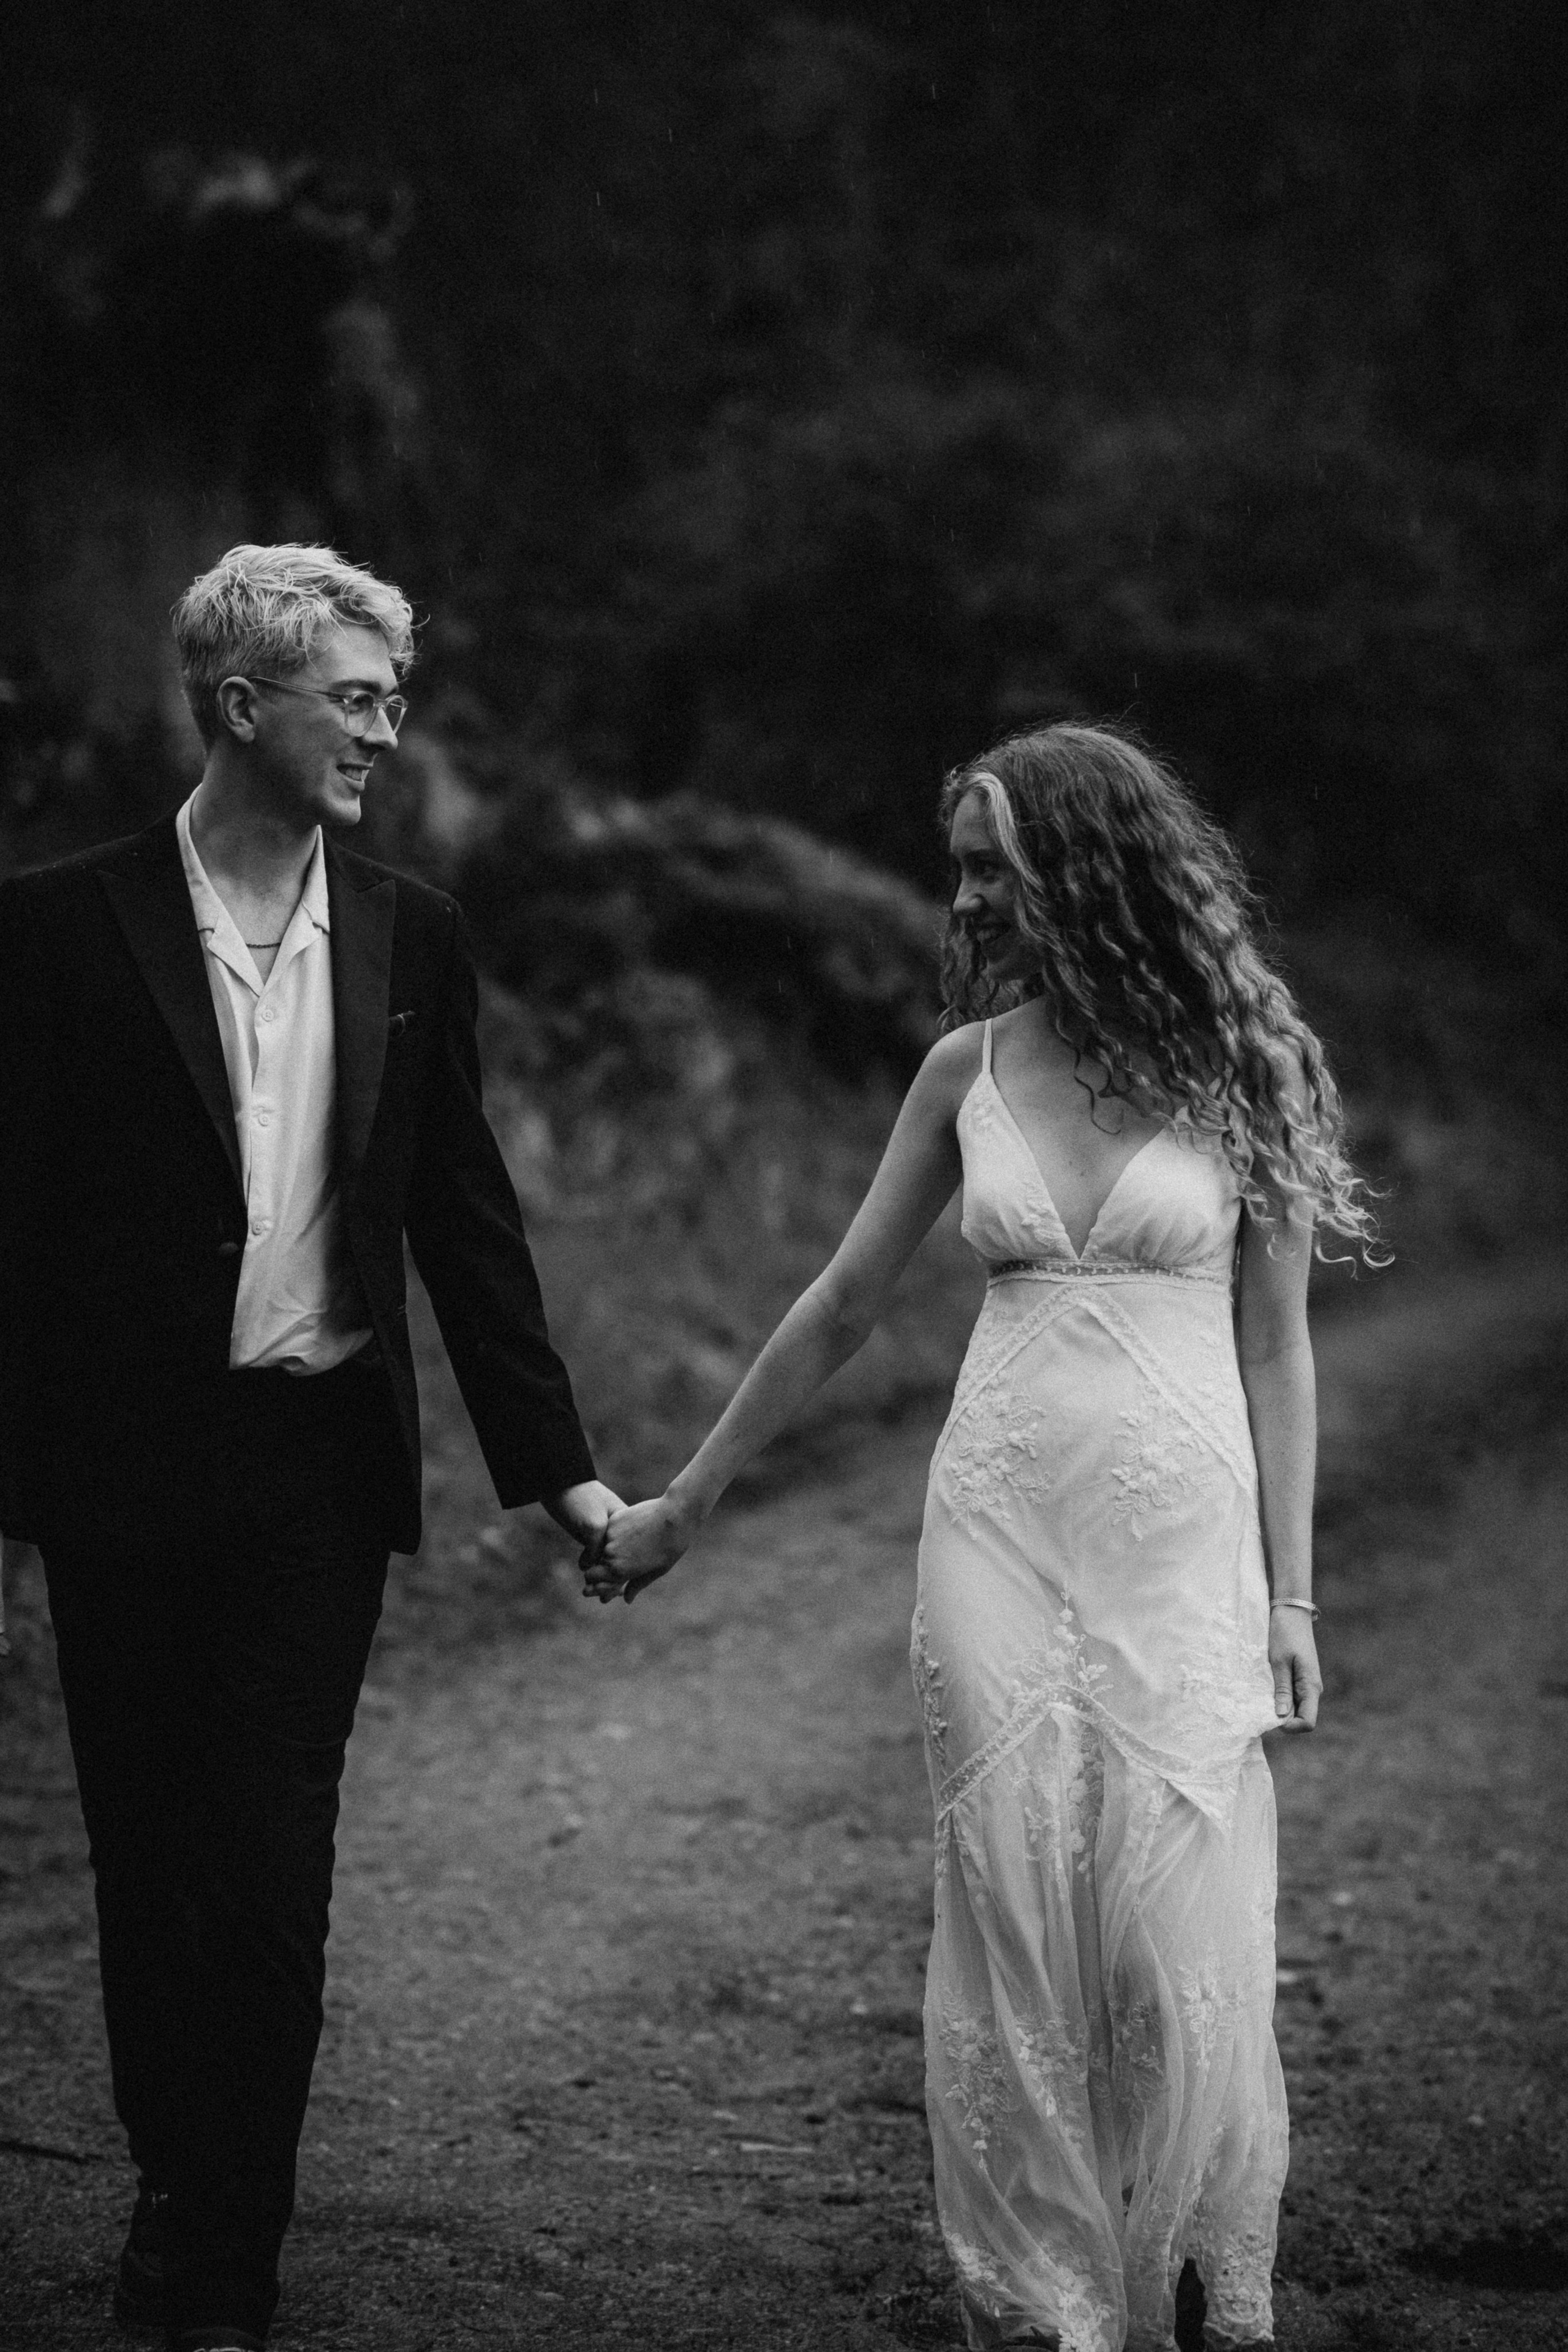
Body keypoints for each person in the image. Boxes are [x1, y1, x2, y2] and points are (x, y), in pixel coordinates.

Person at [591, 723, 1379, 2352]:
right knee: (1011, 1894)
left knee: (1176, 1914)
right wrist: (686, 1501)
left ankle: (1194, 2265)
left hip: (1181, 1549)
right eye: (960, 865)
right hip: (995, 1532)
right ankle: (1045, 2300)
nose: (961, 899)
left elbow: (1281, 1350)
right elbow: (841, 1305)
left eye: (985, 866)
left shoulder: (1250, 1063)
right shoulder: (966, 1071)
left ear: (1083, 869)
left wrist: (1292, 1594)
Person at [0, 545, 620, 2352]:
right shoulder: (53, 928)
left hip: (310, 1484)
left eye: (389, 697)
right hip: (121, 1480)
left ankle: (223, 2256)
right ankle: (180, 2174)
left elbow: (463, 1214)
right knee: (146, 1853)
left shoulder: (414, 932)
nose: (386, 730)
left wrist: (558, 1467)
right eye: (353, 698)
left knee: (270, 1863)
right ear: (238, 705)